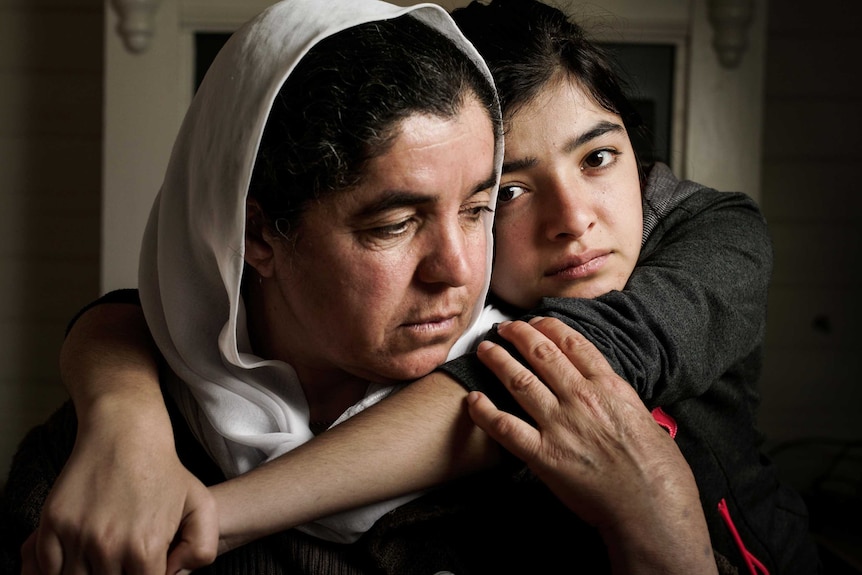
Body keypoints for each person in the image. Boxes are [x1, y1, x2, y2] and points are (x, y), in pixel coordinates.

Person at [1, 0, 722, 574]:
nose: (459, 270)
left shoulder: (557, 435)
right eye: (395, 224)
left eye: (478, 208)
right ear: (257, 234)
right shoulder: (93, 477)